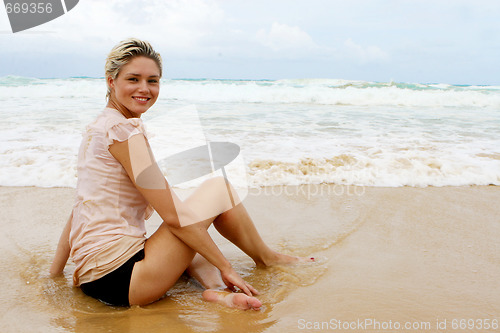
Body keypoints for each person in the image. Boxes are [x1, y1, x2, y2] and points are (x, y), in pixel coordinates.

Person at [49, 38, 313, 310]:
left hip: (95, 279)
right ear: (111, 82)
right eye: (133, 79)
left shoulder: (98, 127)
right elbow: (174, 216)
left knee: (192, 235)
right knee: (217, 190)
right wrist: (227, 266)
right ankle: (266, 258)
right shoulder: (124, 132)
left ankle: (218, 291)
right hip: (126, 280)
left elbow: (79, 207)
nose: (144, 89)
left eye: (153, 80)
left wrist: (54, 274)